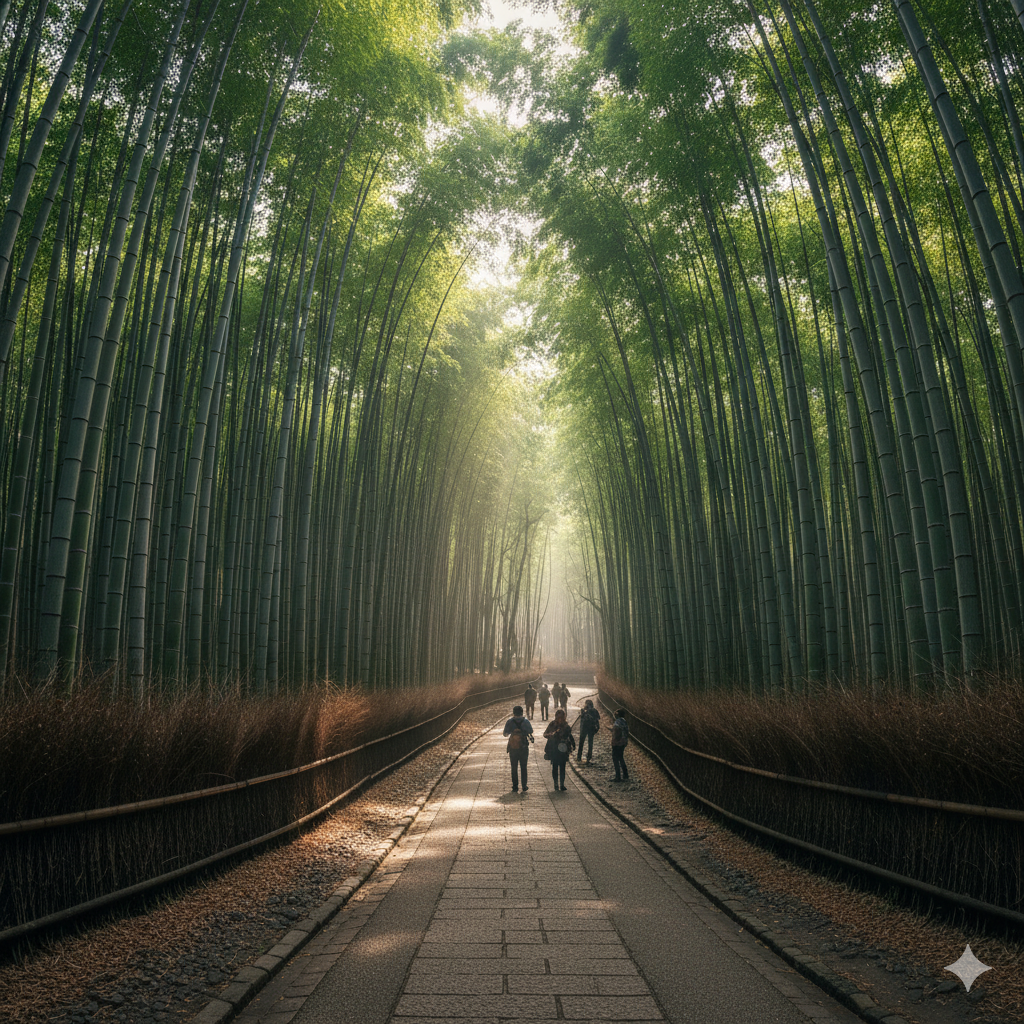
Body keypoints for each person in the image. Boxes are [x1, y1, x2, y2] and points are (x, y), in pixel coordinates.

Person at [503, 705, 535, 793]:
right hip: (523, 746)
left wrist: (513, 732)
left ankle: (515, 786)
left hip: (513, 747)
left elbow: (505, 734)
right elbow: (531, 731)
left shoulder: (510, 721)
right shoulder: (526, 721)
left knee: (514, 767)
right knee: (523, 767)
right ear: (522, 712)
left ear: (513, 713)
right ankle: (524, 785)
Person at [543, 708, 575, 791]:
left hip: (562, 749)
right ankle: (557, 784)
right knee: (556, 767)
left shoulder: (565, 726)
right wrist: (552, 734)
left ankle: (561, 784)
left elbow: (569, 735)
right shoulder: (553, 724)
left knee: (561, 767)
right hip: (555, 748)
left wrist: (572, 744)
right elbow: (545, 734)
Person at [577, 699, 600, 763]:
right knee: (590, 743)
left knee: (581, 742)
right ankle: (589, 756)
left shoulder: (584, 711)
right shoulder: (595, 711)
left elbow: (582, 719)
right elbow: (598, 718)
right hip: (591, 729)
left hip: (584, 729)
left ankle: (579, 756)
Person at [611, 707, 630, 782]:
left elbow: (616, 733)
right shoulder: (624, 721)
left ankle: (618, 776)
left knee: (615, 759)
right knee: (621, 758)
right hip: (623, 742)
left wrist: (614, 742)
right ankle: (625, 774)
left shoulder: (617, 723)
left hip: (617, 743)